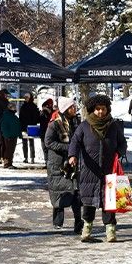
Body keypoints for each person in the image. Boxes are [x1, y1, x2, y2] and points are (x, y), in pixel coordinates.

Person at [69, 94, 128, 243]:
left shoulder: (113, 126)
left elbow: (122, 143)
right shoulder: (84, 126)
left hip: (109, 171)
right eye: (97, 109)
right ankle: (86, 231)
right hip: (90, 171)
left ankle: (111, 233)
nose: (100, 112)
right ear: (92, 110)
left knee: (109, 202)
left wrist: (118, 153)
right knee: (88, 202)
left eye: (103, 109)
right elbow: (75, 142)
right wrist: (72, 155)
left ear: (107, 109)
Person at [44, 97, 82, 232]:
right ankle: (58, 222)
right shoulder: (55, 124)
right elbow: (48, 142)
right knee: (59, 191)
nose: (74, 109)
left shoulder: (76, 122)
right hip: (58, 163)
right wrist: (68, 147)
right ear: (66, 109)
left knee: (76, 192)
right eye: (72, 107)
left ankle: (79, 222)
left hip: (73, 162)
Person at [18, 93, 42, 163]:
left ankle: (32, 158)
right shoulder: (24, 107)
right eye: (25, 97)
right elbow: (20, 117)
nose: (25, 99)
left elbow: (36, 117)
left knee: (31, 142)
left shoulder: (32, 106)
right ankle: (26, 157)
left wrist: (33, 123)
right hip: (24, 127)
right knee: (24, 143)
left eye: (27, 97)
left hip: (31, 127)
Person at [0, 104, 21, 168]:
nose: (15, 108)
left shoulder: (13, 116)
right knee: (8, 151)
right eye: (14, 107)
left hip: (13, 136)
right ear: (10, 108)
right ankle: (7, 164)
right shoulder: (6, 116)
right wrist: (7, 135)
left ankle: (10, 163)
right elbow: (4, 127)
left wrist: (19, 134)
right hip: (9, 136)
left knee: (11, 151)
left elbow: (17, 125)